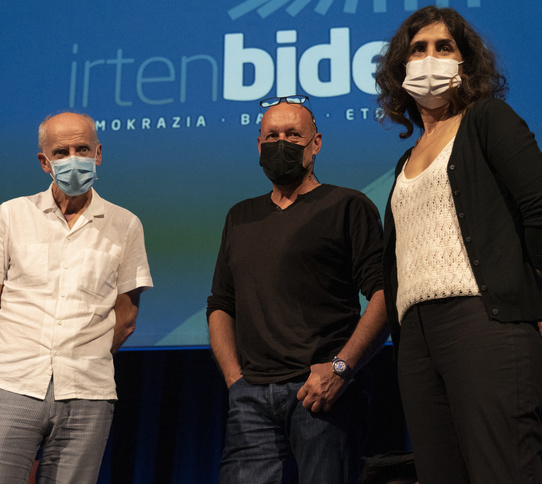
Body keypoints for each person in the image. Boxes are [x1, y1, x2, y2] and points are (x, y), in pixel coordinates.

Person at [376, 6, 542, 483]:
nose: (430, 58)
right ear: (401, 68)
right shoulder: (404, 161)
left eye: (443, 47)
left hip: (483, 324)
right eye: (418, 49)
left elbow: (538, 208)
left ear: (465, 61)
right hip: (416, 340)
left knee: (503, 469)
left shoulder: (488, 118)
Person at [0, 112, 153, 484]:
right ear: (44, 162)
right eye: (61, 151)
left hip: (88, 393)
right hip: (9, 386)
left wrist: (84, 354)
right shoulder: (11, 214)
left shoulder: (125, 224)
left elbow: (126, 317)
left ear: (98, 154)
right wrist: (16, 353)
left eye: (82, 148)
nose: (73, 158)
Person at [206, 95, 388, 483]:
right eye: (271, 136)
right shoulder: (240, 215)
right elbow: (221, 304)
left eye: (293, 134)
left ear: (316, 143)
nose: (281, 143)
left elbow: (385, 295)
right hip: (250, 399)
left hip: (321, 395)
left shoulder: (347, 205)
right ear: (258, 145)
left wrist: (341, 369)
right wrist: (234, 381)